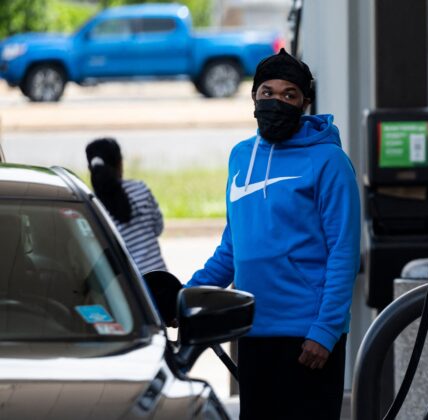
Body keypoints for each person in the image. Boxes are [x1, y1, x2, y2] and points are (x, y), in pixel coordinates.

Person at [186, 48, 360, 420]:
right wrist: (185, 296)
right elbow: (232, 250)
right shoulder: (240, 156)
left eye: (289, 95)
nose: (276, 101)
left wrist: (325, 332)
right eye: (267, 92)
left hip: (308, 338)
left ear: (305, 103)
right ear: (253, 98)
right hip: (252, 330)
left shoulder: (329, 162)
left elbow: (344, 253)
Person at [85, 138, 167, 274]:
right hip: (161, 280)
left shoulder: (92, 205)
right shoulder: (141, 189)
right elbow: (158, 228)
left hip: (129, 290)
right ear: (120, 163)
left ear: (91, 169)